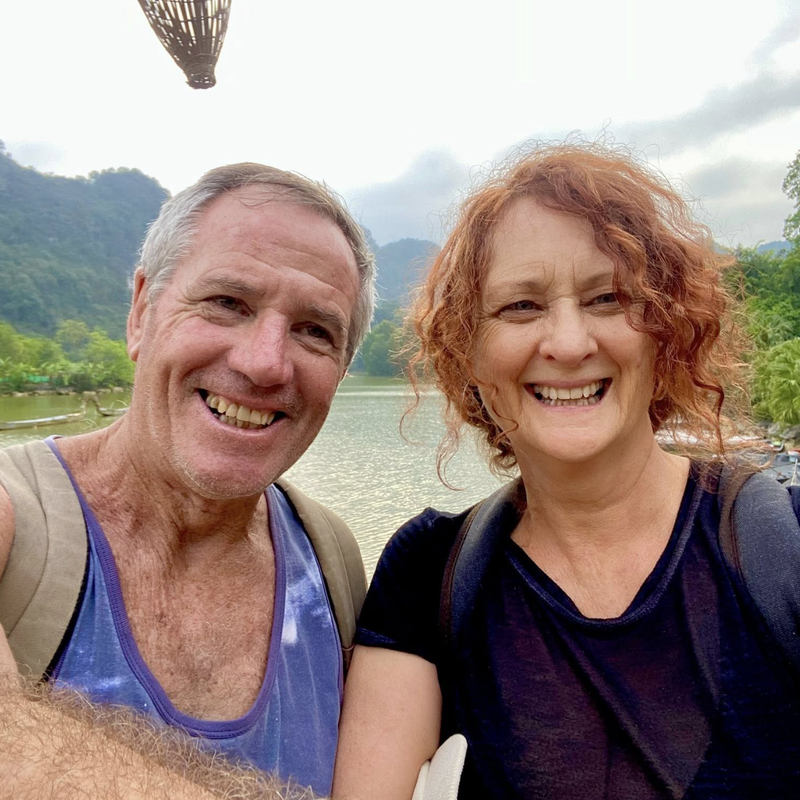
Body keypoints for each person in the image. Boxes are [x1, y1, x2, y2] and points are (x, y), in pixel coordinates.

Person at [333, 144, 800, 799]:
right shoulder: (427, 578)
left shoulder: (783, 543)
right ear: (470, 354)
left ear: (665, 327)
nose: (569, 343)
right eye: (521, 307)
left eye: (607, 298)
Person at [0, 162, 375, 797]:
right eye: (228, 303)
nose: (264, 364)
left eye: (315, 331)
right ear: (142, 312)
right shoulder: (14, 518)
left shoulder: (330, 562)